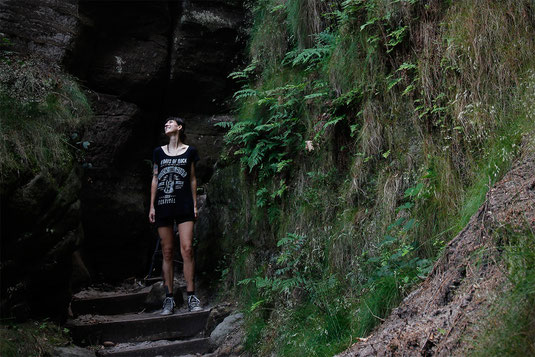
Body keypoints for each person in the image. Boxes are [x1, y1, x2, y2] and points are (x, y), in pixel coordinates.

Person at [149, 116, 202, 315]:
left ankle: (191, 296)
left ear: (179, 127)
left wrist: (195, 205)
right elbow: (155, 179)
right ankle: (169, 299)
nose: (166, 124)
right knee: (167, 252)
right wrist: (152, 206)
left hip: (184, 205)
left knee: (187, 249)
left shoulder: (190, 152)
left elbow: (193, 179)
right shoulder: (158, 153)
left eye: (170, 122)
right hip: (163, 204)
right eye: (165, 123)